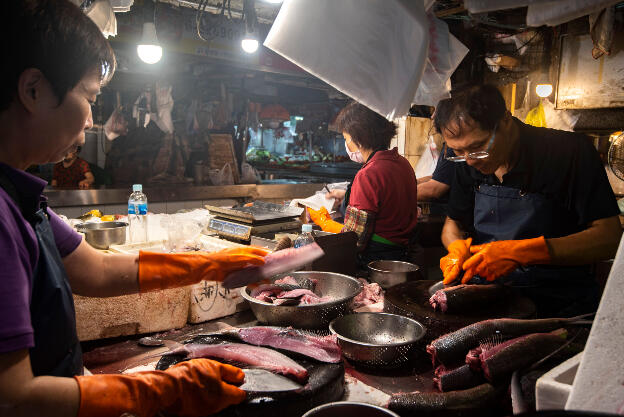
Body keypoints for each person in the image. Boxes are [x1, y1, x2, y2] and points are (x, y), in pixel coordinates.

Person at [0, 2, 269, 416]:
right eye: (89, 96)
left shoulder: (21, 197)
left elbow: (97, 270)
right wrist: (155, 389)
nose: (90, 119)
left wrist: (209, 265)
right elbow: (13, 397)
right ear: (33, 89)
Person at [436, 85, 622, 317]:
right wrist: (455, 248)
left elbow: (609, 237)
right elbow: (452, 224)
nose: (470, 160)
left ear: (505, 121)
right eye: (458, 151)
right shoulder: (467, 162)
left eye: (478, 147)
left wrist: (523, 252)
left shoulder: (569, 152)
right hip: (491, 298)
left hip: (559, 306)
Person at [308, 101, 419, 267]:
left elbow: (355, 238)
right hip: (403, 255)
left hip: (376, 260)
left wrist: (324, 223)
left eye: (346, 138)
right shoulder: (402, 163)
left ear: (357, 138)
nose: (347, 144)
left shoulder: (368, 174)